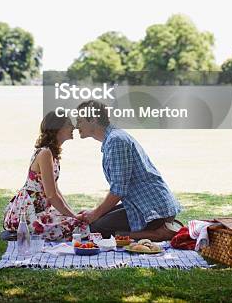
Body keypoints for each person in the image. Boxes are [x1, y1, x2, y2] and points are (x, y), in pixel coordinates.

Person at [76, 100, 182, 241]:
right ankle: (165, 226)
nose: (77, 126)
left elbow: (119, 190)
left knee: (96, 230)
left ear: (93, 120)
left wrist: (95, 213)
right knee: (94, 224)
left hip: (153, 210)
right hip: (141, 205)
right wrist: (95, 213)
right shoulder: (112, 139)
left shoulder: (116, 141)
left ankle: (159, 233)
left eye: (80, 121)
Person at [1, 111, 88, 241]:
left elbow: (55, 190)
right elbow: (51, 195)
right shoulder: (45, 153)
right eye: (69, 124)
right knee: (78, 226)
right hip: (27, 214)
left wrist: (73, 214)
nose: (73, 128)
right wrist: (74, 217)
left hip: (39, 212)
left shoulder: (52, 154)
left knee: (77, 223)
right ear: (58, 128)